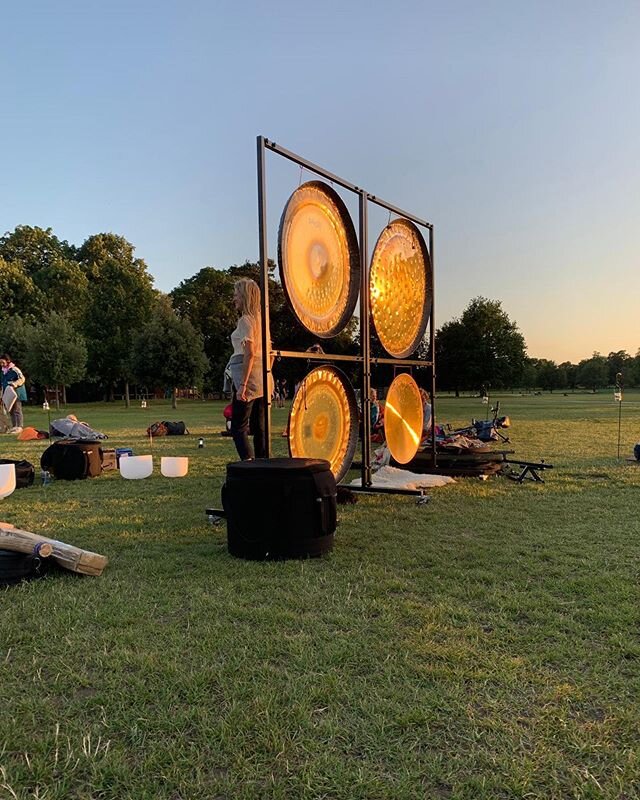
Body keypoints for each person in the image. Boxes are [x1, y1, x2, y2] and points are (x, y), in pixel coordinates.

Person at [224, 278, 271, 461]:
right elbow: (270, 352)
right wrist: (267, 375)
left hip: (247, 377)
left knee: (238, 426)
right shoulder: (262, 321)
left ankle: (249, 464)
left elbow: (249, 353)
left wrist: (243, 384)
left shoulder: (246, 321)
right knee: (259, 427)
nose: (234, 298)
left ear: (244, 296)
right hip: (262, 377)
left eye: (236, 294)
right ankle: (263, 463)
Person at [0, 354, 27, 434]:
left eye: (3, 362)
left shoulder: (15, 369)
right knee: (11, 410)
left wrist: (14, 384)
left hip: (16, 393)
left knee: (17, 410)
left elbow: (22, 378)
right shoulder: (3, 372)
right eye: (0, 363)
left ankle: (19, 426)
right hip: (7, 394)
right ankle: (14, 426)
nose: (2, 364)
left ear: (8, 361)